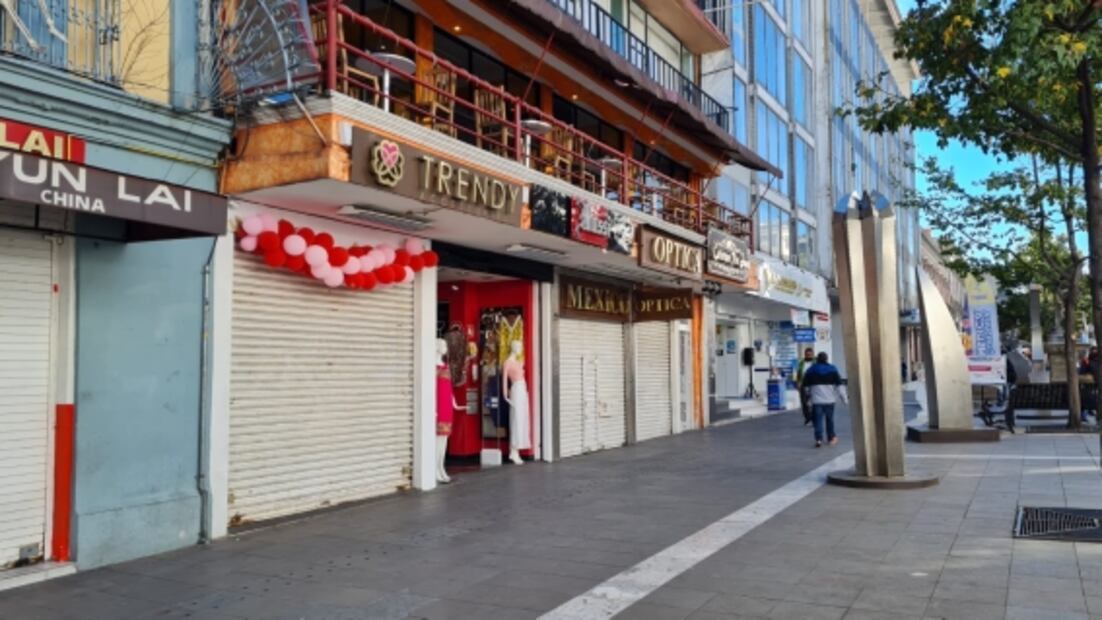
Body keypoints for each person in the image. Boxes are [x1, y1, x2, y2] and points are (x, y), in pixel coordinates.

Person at [802, 352, 848, 448]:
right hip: (829, 400)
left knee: (818, 420)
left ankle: (818, 439)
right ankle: (831, 438)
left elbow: (806, 386)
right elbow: (839, 386)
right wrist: (844, 399)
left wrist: (808, 397)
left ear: (817, 359)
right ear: (826, 359)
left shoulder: (811, 370)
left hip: (816, 400)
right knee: (829, 420)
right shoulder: (832, 369)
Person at [795, 348, 815, 426]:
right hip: (803, 384)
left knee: (813, 402)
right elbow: (798, 373)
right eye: (807, 354)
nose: (808, 356)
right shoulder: (802, 363)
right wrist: (798, 382)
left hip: (813, 385)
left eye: (810, 354)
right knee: (804, 402)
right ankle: (808, 418)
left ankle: (814, 418)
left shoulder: (815, 362)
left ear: (812, 354)